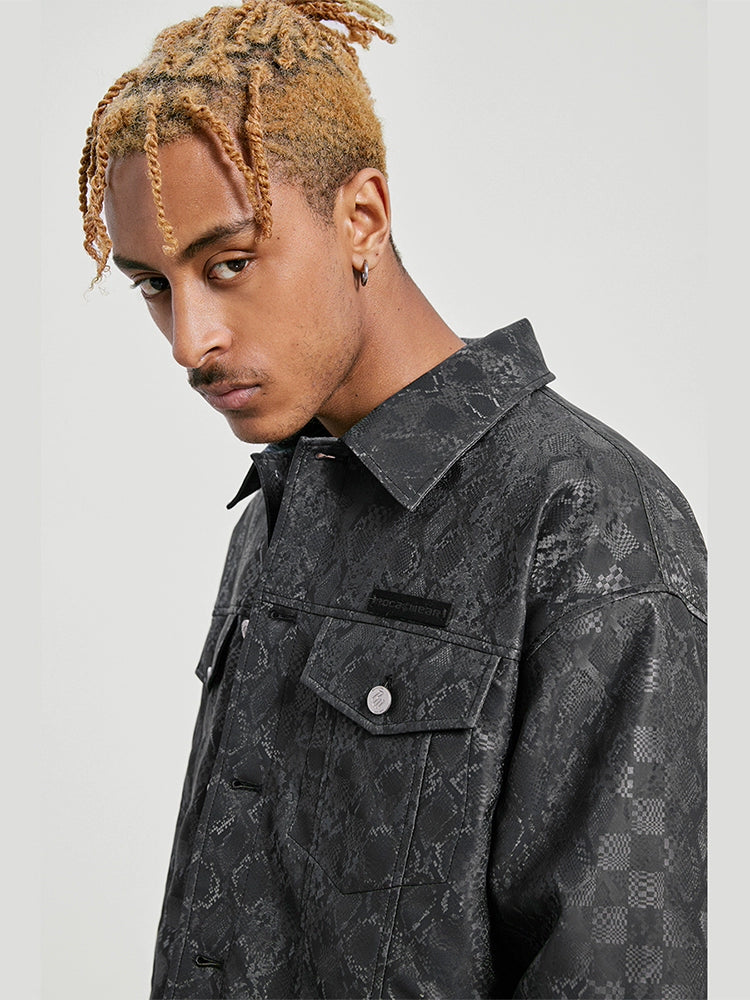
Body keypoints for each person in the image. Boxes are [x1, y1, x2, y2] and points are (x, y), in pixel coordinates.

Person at [79, 2, 707, 997]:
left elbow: (617, 970)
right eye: (154, 286)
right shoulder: (276, 503)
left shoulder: (589, 520)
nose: (189, 340)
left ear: (362, 217)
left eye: (229, 264)